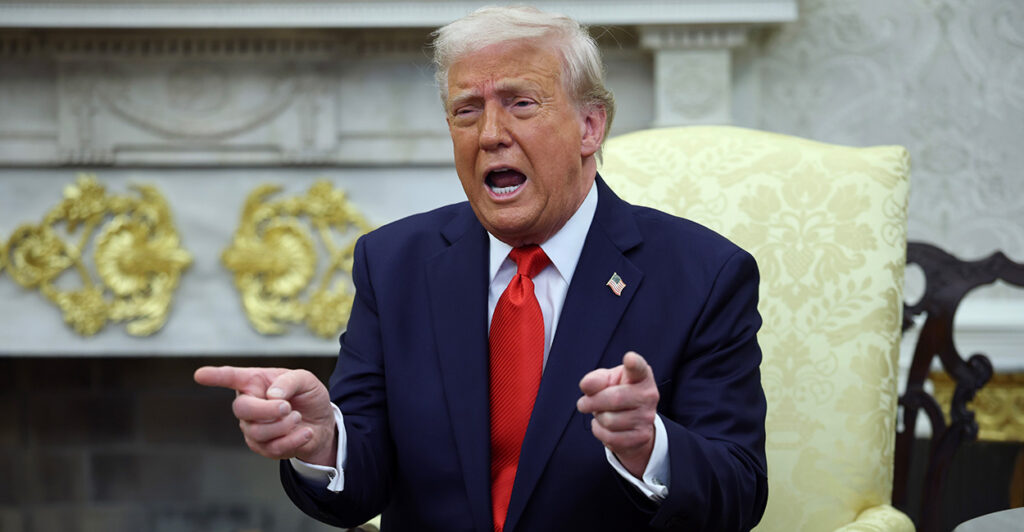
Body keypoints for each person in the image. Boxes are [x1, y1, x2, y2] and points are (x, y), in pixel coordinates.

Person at [195, 5, 767, 531]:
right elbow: (364, 479)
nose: (490, 134)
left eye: (521, 103)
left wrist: (649, 445)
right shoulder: (394, 265)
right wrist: (322, 444)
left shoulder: (703, 275)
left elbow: (740, 491)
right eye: (466, 111)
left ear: (590, 127)